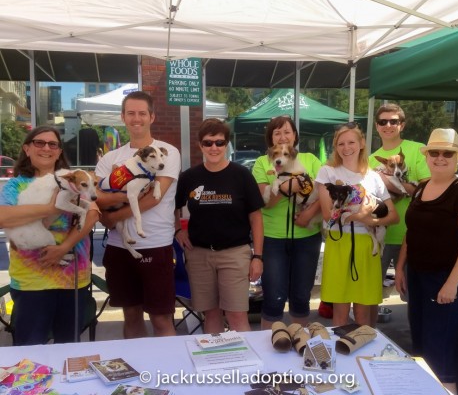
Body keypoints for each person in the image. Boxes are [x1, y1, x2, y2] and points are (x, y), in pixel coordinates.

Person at [395, 128, 458, 393]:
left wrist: (452, 284)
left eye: (448, 153)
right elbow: (412, 233)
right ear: (428, 156)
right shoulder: (421, 188)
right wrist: (400, 268)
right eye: (435, 152)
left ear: (457, 157)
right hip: (417, 275)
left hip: (444, 278)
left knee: (441, 348)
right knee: (421, 343)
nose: (440, 158)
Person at [0, 126, 99, 345]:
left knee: (69, 350)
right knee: (30, 352)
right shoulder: (15, 185)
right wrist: (52, 208)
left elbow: (92, 213)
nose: (46, 148)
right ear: (27, 149)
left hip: (73, 280)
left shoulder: (73, 180)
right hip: (32, 282)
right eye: (39, 143)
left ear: (59, 151)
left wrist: (63, 248)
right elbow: (3, 217)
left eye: (53, 144)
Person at [95, 91, 180, 338]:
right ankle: (137, 374)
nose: (136, 118)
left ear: (152, 117)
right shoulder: (111, 157)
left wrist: (113, 216)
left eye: (142, 113)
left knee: (161, 317)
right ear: (123, 117)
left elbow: (155, 197)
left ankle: (168, 375)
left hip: (155, 244)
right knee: (130, 314)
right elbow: (98, 197)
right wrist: (123, 199)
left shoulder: (167, 152)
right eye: (131, 113)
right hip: (118, 246)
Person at [175, 118, 264, 333]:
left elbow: (256, 218)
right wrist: (179, 229)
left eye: (219, 142)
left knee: (236, 315)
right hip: (199, 254)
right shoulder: (189, 177)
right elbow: (174, 207)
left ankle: (247, 366)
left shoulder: (242, 175)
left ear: (226, 145)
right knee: (211, 313)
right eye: (208, 143)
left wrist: (258, 257)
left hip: (235, 253)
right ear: (200, 145)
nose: (214, 147)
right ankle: (214, 363)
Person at [316, 122, 399, 327]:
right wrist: (359, 214)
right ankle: (341, 355)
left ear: (361, 143)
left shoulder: (373, 177)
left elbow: (394, 216)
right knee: (340, 315)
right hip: (339, 244)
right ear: (335, 147)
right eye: (341, 143)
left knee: (363, 315)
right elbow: (328, 215)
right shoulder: (327, 172)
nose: (346, 148)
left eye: (351, 142)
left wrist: (369, 219)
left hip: (366, 246)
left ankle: (364, 356)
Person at [252, 116, 322, 330]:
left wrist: (308, 215)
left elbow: (323, 193)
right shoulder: (262, 163)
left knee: (301, 296)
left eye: (287, 132)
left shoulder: (310, 159)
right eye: (277, 133)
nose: (283, 137)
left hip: (307, 237)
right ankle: (268, 347)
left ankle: (300, 342)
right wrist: (284, 187)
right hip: (273, 238)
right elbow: (266, 203)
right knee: (273, 298)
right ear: (270, 138)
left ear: (294, 135)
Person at [368, 103, 430, 284]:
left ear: (402, 124)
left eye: (393, 121)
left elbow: (426, 190)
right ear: (376, 126)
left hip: (413, 234)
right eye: (383, 121)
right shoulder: (371, 159)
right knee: (372, 293)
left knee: (413, 295)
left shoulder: (418, 150)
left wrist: (388, 181)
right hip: (381, 232)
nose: (388, 125)